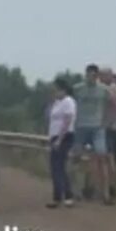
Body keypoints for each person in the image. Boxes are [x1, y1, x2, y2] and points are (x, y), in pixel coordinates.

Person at [73, 63, 112, 203]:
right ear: (86, 75)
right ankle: (76, 190)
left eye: (94, 75)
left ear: (97, 76)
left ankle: (105, 193)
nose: (91, 78)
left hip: (97, 127)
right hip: (81, 126)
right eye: (89, 75)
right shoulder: (77, 89)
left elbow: (111, 105)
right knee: (76, 157)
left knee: (102, 157)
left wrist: (106, 122)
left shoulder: (104, 90)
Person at [45, 79, 76, 209]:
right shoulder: (57, 103)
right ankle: (61, 196)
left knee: (59, 167)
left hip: (64, 136)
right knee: (56, 168)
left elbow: (67, 121)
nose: (55, 92)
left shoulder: (68, 102)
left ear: (63, 90)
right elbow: (50, 118)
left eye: (57, 90)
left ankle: (64, 196)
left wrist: (60, 139)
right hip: (54, 136)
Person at [102, 67, 116, 203]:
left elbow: (111, 103)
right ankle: (109, 188)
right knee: (108, 160)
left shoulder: (111, 89)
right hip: (110, 128)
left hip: (109, 128)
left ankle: (110, 189)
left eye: (103, 76)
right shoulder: (112, 88)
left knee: (108, 159)